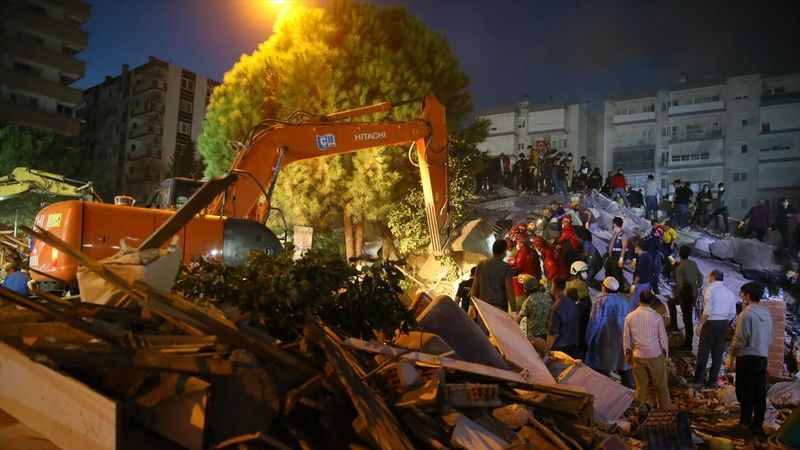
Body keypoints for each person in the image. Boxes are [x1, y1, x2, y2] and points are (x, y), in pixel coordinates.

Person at [727, 281, 772, 437]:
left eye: (742, 293)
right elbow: (770, 338)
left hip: (747, 358)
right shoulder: (767, 315)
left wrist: (731, 358)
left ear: (748, 295)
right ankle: (757, 425)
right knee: (759, 392)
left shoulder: (745, 314)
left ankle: (744, 424)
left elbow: (739, 339)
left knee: (745, 391)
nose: (741, 296)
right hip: (762, 358)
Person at [624, 291, 672, 411]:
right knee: (660, 385)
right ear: (651, 302)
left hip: (638, 356)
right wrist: (665, 354)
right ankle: (666, 410)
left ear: (639, 300)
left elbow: (626, 338)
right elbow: (663, 337)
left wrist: (627, 354)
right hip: (655, 355)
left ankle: (638, 412)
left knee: (640, 387)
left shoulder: (630, 316)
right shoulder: (656, 317)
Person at [586, 277, 634, 387]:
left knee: (602, 373)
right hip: (621, 342)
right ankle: (630, 396)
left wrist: (588, 340)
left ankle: (606, 397)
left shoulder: (599, 302)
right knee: (624, 369)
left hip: (604, 342)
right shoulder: (624, 302)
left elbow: (593, 323)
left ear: (604, 288)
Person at [693, 269, 737, 388]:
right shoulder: (730, 293)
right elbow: (732, 313)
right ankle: (712, 381)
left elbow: (707, 310)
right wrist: (724, 323)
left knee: (703, 352)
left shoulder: (711, 289)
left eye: (709, 277)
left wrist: (700, 325)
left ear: (712, 278)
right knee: (717, 354)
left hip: (710, 323)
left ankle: (698, 381)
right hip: (723, 324)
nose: (708, 279)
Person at [669, 245, 704, 350]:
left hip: (686, 293)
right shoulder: (693, 263)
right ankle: (674, 325)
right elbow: (701, 277)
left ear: (680, 254)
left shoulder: (680, 267)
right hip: (693, 292)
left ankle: (688, 343)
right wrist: (697, 286)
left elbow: (679, 285)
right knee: (671, 303)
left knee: (687, 318)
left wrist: (676, 293)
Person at [472, 240, 517, 313]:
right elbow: (509, 290)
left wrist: (471, 305)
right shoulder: (506, 267)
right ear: (504, 251)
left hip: (483, 308)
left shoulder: (481, 264)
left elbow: (475, 286)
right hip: (499, 308)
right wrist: (513, 310)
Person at [545, 277, 583, 359]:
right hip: (574, 345)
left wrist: (547, 351)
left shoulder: (556, 308)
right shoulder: (572, 303)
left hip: (560, 348)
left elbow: (552, 334)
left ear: (554, 288)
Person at [516, 275, 553, 347]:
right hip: (547, 334)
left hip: (533, 337)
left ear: (526, 289)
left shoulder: (528, 302)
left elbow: (518, 320)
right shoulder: (548, 297)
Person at [509, 234, 540, 309]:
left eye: (518, 242)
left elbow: (519, 267)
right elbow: (538, 264)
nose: (517, 244)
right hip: (535, 278)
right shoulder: (533, 251)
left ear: (521, 243)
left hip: (526, 280)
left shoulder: (521, 253)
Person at [605, 216, 629, 291]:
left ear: (615, 224)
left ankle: (620, 289)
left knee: (617, 272)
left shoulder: (623, 234)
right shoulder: (616, 233)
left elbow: (624, 247)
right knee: (609, 270)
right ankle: (609, 286)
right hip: (613, 255)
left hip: (618, 256)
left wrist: (621, 258)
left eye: (612, 223)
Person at [629, 240, 654, 310]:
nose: (634, 249)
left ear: (638, 247)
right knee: (643, 306)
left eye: (635, 247)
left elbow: (639, 274)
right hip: (647, 283)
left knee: (632, 306)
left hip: (640, 285)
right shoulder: (649, 256)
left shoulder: (642, 258)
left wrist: (633, 285)